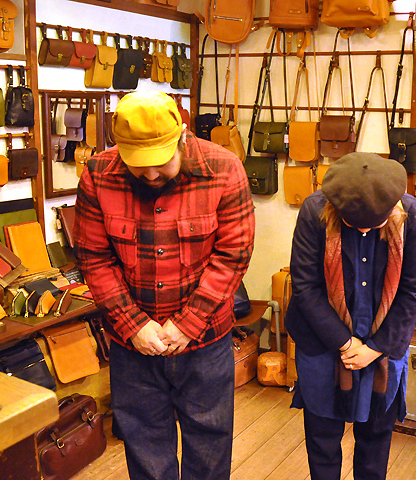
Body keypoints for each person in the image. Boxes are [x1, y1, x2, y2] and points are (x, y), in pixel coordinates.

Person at [74, 91, 255, 480]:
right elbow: (94, 258)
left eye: (161, 163)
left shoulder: (224, 169)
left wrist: (188, 324)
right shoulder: (98, 174)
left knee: (209, 454)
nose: (152, 176)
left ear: (182, 136)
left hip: (205, 345)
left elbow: (233, 256)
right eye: (139, 167)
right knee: (146, 456)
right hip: (132, 349)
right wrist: (134, 325)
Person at [285, 152, 416, 480]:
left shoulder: (411, 213)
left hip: (383, 344)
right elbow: (305, 287)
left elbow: (412, 290)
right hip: (323, 341)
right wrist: (346, 343)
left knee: (375, 440)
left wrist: (374, 348)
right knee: (322, 439)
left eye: (373, 224)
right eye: (354, 223)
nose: (363, 228)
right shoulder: (314, 210)